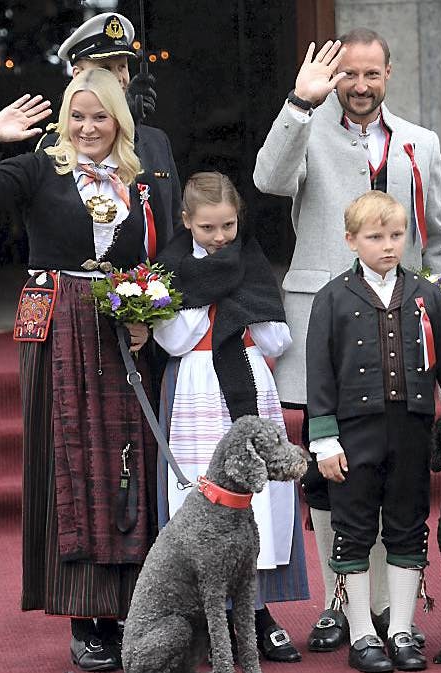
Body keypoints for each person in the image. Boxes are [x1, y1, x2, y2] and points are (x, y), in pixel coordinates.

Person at [0, 68, 174, 672]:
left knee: (130, 460)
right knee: (71, 460)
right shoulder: (37, 168)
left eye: (99, 116)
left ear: (117, 120)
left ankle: (134, 605)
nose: (87, 127)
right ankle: (85, 617)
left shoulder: (142, 176)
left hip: (124, 324)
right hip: (59, 327)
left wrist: (150, 315)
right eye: (77, 116)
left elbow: (166, 246)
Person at [253, 29, 441, 652]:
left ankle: (390, 608)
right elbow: (266, 179)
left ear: (389, 73)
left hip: (402, 318)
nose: (359, 87)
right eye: (348, 76)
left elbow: (436, 236)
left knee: (393, 467)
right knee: (329, 467)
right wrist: (299, 103)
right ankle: (342, 599)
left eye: (371, 75)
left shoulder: (421, 142)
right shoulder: (306, 126)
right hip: (322, 311)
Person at [306, 191, 441, 672]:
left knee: (407, 526)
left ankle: (401, 629)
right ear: (350, 240)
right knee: (354, 529)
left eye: (397, 235)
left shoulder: (427, 295)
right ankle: (362, 633)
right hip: (352, 434)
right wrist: (323, 439)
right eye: (375, 237)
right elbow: (318, 375)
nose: (388, 245)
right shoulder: (332, 298)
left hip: (412, 431)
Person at [152, 172, 310, 663]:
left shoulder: (252, 260)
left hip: (246, 377)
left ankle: (258, 614)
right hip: (195, 387)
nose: (219, 238)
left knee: (257, 499)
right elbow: (173, 339)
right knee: (201, 497)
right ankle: (204, 617)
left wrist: (237, 310)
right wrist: (218, 298)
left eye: (227, 226)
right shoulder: (172, 268)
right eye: (207, 228)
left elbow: (278, 339)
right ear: (186, 222)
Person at [54, 11, 182, 258]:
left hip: (152, 290)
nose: (120, 79)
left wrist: (129, 128)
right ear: (78, 76)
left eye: (122, 66)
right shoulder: (56, 145)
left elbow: (174, 223)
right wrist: (125, 127)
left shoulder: (156, 141)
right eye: (105, 69)